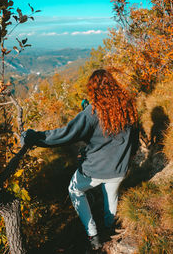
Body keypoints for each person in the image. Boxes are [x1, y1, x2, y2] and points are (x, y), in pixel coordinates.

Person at [21, 69, 139, 252]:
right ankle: (109, 227)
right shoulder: (128, 106)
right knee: (111, 196)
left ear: (93, 90)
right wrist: (129, 157)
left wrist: (35, 137)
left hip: (94, 171)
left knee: (75, 190)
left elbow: (66, 134)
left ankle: (93, 236)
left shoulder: (92, 113)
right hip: (119, 169)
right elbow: (131, 137)